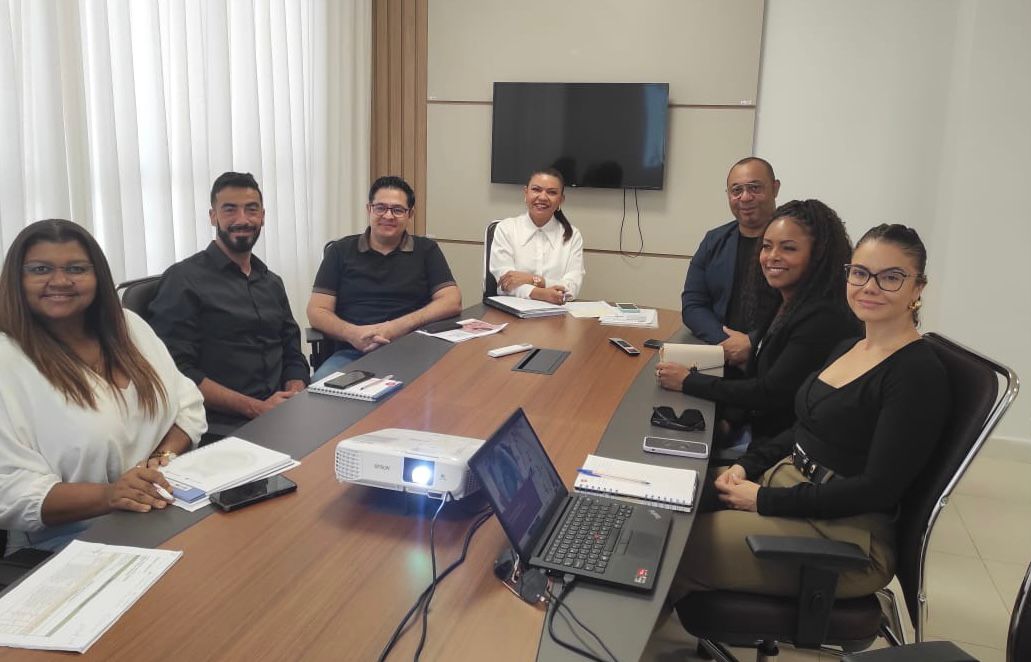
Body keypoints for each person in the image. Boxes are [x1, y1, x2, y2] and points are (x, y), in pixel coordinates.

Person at [670, 223, 949, 602]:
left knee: (672, 546)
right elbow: (802, 429)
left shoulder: (916, 373)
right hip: (790, 485)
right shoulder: (850, 346)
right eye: (860, 273)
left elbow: (876, 490)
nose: (870, 287)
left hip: (846, 534)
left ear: (918, 288)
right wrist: (746, 466)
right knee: (666, 501)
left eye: (891, 277)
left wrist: (763, 500)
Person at [0, 220, 206, 555]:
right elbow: (9, 491)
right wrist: (111, 495)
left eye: (76, 269)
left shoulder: (128, 326)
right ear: (16, 279)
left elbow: (187, 403)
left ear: (97, 276)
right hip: (69, 540)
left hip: (160, 508)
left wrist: (160, 461)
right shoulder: (7, 360)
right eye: (40, 269)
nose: (60, 281)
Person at [658, 200, 860, 448]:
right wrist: (730, 421)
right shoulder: (786, 299)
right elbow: (758, 373)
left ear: (818, 254)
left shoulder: (824, 317)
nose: (772, 257)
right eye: (766, 246)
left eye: (788, 248)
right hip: (758, 433)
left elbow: (769, 392)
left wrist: (688, 382)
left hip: (781, 449)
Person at [149, 172, 310, 433]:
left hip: (280, 416)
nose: (242, 220)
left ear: (263, 216)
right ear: (213, 216)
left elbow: (292, 352)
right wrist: (257, 408)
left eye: (251, 210)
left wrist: (294, 392)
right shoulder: (183, 280)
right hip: (219, 426)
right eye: (230, 210)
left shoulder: (271, 282)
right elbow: (176, 371)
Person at [307, 175, 462, 380]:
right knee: (320, 389)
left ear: (410, 214)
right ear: (369, 209)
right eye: (380, 208)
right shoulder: (340, 251)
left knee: (447, 386)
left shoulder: (426, 250)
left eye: (397, 210)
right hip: (353, 352)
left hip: (414, 350)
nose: (388, 216)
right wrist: (352, 334)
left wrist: (395, 328)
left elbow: (452, 301)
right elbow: (316, 310)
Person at [681, 157, 781, 369]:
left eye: (754, 188)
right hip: (720, 356)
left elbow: (803, 309)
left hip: (777, 359)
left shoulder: (794, 245)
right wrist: (727, 343)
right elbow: (693, 305)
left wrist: (753, 342)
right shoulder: (713, 241)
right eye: (736, 190)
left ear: (775, 188)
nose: (745, 197)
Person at [489, 167, 585, 304]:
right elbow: (506, 283)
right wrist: (542, 294)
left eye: (552, 192)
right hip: (512, 312)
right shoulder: (506, 229)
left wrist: (532, 279)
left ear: (561, 200)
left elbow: (572, 287)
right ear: (526, 193)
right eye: (536, 190)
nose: (543, 197)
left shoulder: (573, 235)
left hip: (557, 313)